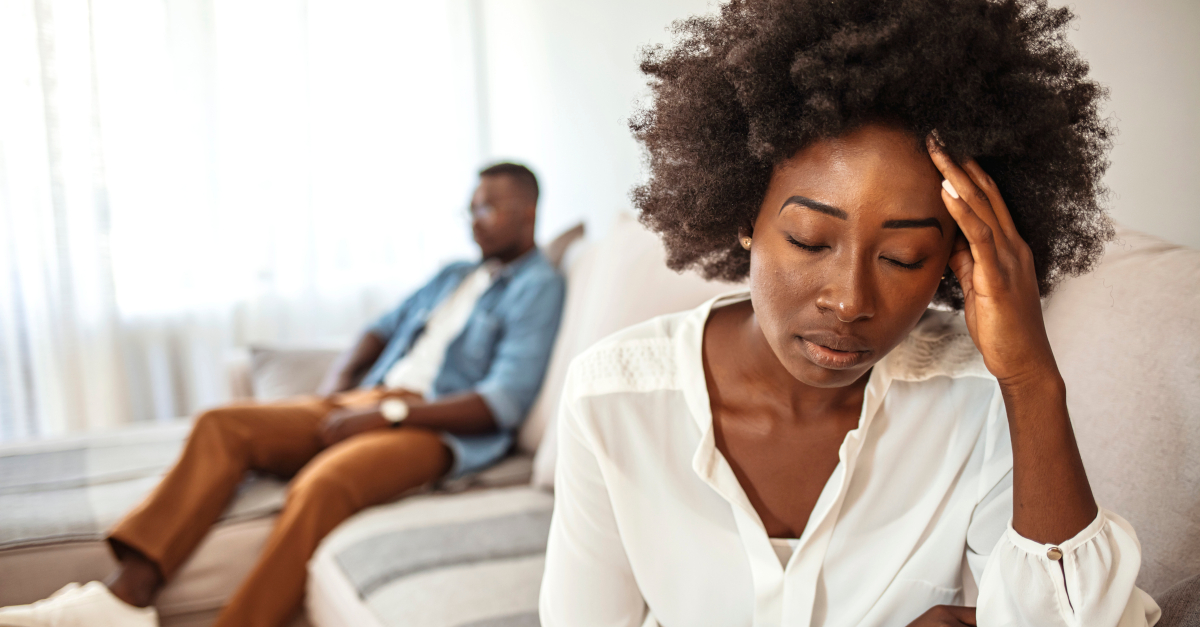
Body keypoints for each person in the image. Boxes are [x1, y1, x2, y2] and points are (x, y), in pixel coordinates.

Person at [540, 1, 1160, 626]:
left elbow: (1076, 620)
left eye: (904, 256)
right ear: (743, 218)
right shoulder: (613, 398)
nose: (851, 301)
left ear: (954, 257)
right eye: (810, 240)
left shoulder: (985, 400)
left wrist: (1030, 378)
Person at [0, 162, 566, 627]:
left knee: (324, 483)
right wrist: (340, 384)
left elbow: (505, 401)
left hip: (432, 429)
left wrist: (388, 415)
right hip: (369, 401)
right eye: (470, 208)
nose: (475, 222)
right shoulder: (454, 275)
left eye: (488, 208)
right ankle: (125, 597)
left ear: (529, 211)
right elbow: (378, 328)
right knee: (223, 424)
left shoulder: (539, 287)